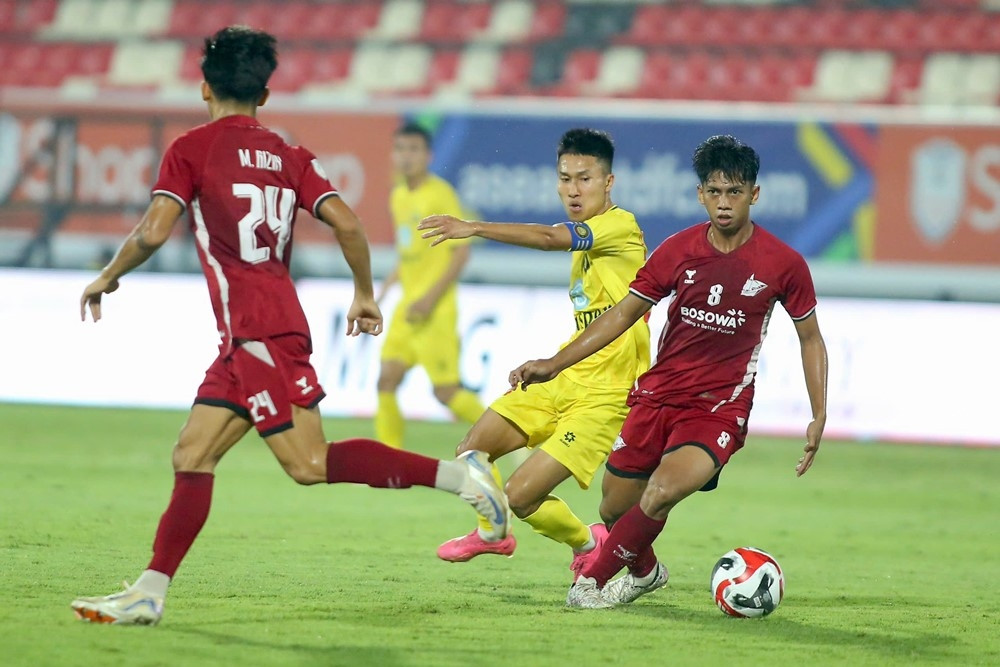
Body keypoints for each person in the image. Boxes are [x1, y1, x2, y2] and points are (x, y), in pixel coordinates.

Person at [70, 26, 508, 626]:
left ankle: (462, 478)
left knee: (307, 464)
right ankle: (149, 591)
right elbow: (350, 225)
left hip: (258, 333)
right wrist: (363, 294)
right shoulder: (289, 154)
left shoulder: (191, 149)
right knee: (191, 454)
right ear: (264, 96)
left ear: (204, 87)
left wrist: (108, 276)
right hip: (261, 330)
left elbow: (151, 231)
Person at [508, 134, 829, 608]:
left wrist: (819, 413)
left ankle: (590, 583)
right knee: (614, 507)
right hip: (656, 397)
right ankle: (646, 572)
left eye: (735, 192)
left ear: (754, 195)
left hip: (717, 410)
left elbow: (810, 337)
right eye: (715, 192)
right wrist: (554, 364)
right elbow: (619, 316)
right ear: (700, 194)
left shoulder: (784, 264)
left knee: (658, 493)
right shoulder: (677, 251)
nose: (724, 204)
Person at [417, 128, 650, 569]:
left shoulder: (620, 226)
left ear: (609, 182)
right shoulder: (589, 239)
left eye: (584, 178)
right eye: (564, 178)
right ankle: (493, 532)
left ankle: (586, 544)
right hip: (564, 374)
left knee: (522, 496)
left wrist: (473, 227)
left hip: (608, 392)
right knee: (472, 450)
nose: (573, 189)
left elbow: (548, 238)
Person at [374, 123, 484, 449]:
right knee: (386, 380)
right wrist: (383, 291)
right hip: (407, 307)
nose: (405, 157)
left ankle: (515, 439)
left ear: (428, 155)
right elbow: (407, 253)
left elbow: (461, 253)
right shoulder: (398, 196)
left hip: (435, 310)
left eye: (413, 150)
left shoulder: (439, 194)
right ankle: (387, 462)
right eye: (400, 149)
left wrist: (429, 299)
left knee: (446, 392)